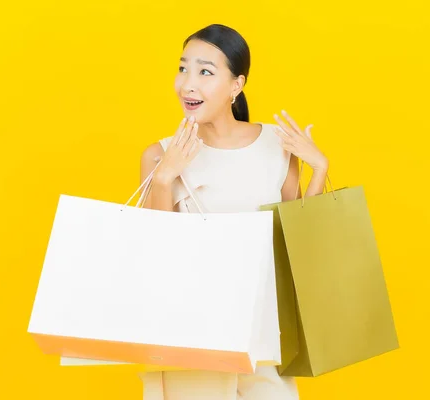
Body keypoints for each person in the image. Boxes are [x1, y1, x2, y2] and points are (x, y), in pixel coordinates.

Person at [139, 23, 330, 400]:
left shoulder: (278, 146)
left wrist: (319, 169)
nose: (188, 83)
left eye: (205, 72)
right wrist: (163, 180)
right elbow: (152, 254)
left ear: (236, 86)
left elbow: (297, 244)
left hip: (265, 333)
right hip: (191, 334)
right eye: (183, 69)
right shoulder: (160, 154)